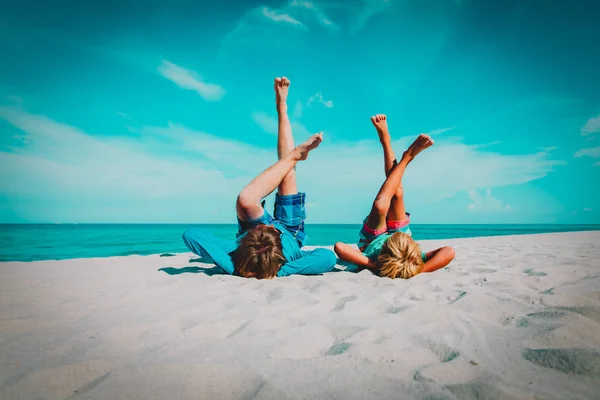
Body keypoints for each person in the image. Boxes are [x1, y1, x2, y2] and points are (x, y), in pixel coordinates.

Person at [182, 77, 337, 279]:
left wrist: (234, 264)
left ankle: (293, 152)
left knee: (245, 201)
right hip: (290, 231)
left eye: (261, 226)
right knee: (287, 175)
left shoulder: (235, 256)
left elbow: (190, 235)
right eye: (268, 227)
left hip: (256, 248)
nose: (266, 222)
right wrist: (279, 270)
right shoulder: (289, 256)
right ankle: (284, 115)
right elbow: (327, 258)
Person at [334, 114, 455, 279]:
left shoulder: (380, 259)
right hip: (402, 244)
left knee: (380, 205)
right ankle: (400, 152)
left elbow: (340, 247)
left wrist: (373, 264)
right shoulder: (414, 257)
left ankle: (398, 152)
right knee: (397, 193)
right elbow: (449, 252)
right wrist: (421, 269)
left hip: (373, 240)